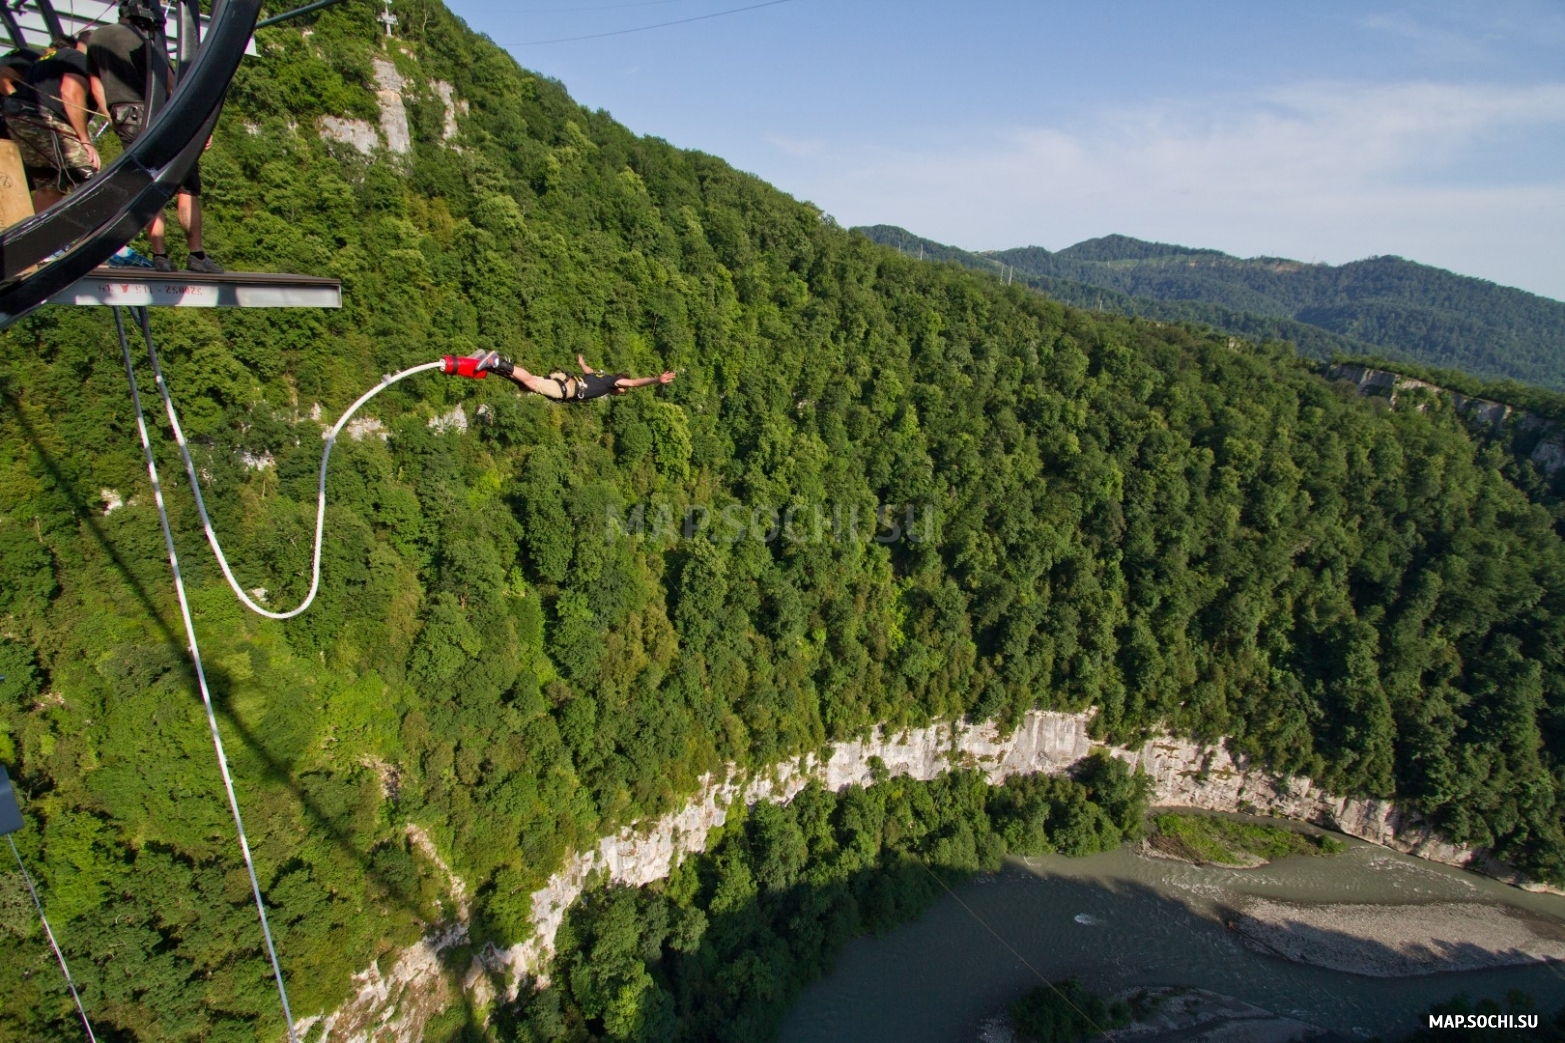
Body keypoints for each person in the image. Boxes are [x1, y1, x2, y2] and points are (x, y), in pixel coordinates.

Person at [88, 0, 222, 274]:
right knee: (186, 186)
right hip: (157, 112)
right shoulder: (146, 39)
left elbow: (95, 84)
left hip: (123, 115)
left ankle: (159, 255)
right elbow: (172, 84)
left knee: (148, 186)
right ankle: (196, 255)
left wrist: (111, 114)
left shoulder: (98, 38)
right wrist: (196, 127)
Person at [5, 33, 98, 211]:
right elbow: (71, 93)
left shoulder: (51, 58)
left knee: (49, 185)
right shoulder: (78, 59)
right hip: (40, 118)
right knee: (86, 176)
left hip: (18, 117)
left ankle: (37, 237)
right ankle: (98, 233)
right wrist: (85, 140)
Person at [472, 351, 676, 401]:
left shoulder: (602, 376)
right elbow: (633, 382)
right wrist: (656, 380)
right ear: (620, 385)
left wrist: (581, 363)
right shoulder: (614, 382)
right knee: (532, 382)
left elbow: (588, 371)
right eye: (623, 390)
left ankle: (490, 365)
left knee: (525, 385)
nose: (623, 391)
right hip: (569, 388)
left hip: (568, 381)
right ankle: (497, 362)